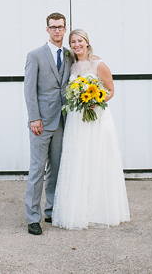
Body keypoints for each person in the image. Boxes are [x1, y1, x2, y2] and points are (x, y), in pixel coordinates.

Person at [52, 29, 130, 230]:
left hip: (96, 119)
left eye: (80, 41)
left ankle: (98, 210)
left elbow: (110, 90)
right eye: (73, 42)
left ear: (87, 42)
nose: (77, 44)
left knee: (96, 159)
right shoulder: (72, 66)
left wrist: (96, 100)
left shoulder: (98, 64)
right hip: (77, 120)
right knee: (78, 160)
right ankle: (79, 210)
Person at [23, 12, 72, 235]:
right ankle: (33, 217)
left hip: (63, 120)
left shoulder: (69, 56)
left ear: (65, 28)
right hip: (41, 122)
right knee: (37, 170)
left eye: (60, 27)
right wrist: (34, 118)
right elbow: (29, 89)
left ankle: (51, 210)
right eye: (53, 27)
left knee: (56, 169)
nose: (57, 31)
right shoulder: (35, 55)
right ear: (47, 29)